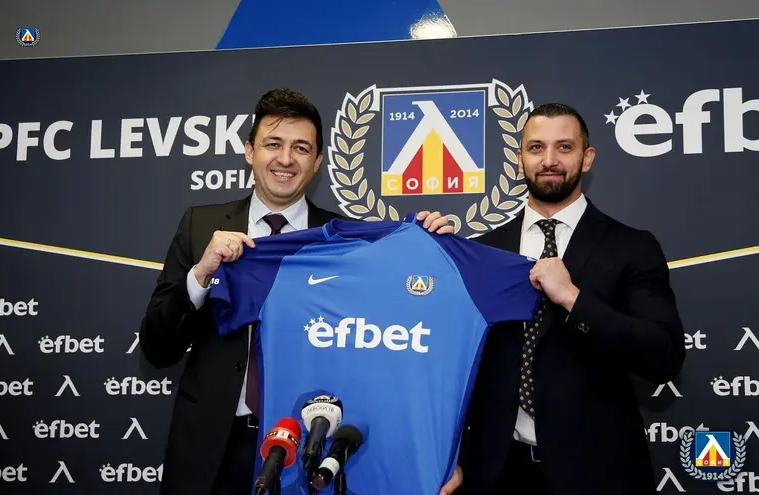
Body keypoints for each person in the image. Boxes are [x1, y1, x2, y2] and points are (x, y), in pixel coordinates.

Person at [139, 88, 453, 495]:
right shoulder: (201, 226)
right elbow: (157, 348)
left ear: (318, 161)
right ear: (249, 151)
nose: (286, 159)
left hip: (308, 448)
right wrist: (200, 276)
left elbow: (389, 333)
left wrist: (428, 247)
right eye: (273, 144)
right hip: (211, 446)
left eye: (301, 148)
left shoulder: (345, 241)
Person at [440, 103, 686, 495]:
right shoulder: (485, 251)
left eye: (565, 147)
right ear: (519, 158)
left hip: (599, 475)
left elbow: (663, 356)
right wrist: (433, 252)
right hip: (497, 473)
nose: (549, 160)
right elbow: (453, 367)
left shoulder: (631, 247)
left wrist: (573, 298)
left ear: (587, 158)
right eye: (536, 147)